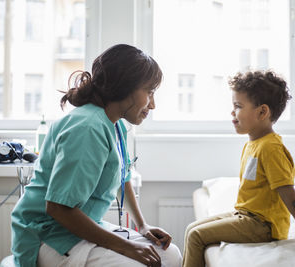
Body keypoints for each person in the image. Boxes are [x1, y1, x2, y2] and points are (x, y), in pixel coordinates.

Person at [11, 44, 182, 267]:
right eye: (149, 92)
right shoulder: (88, 128)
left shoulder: (115, 125)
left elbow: (124, 175)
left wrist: (142, 226)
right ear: (125, 87)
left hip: (79, 230)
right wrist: (127, 247)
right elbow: (58, 208)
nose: (153, 104)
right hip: (47, 236)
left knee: (170, 255)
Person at [182, 70, 295, 267]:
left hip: (264, 225)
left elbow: (288, 194)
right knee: (191, 229)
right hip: (247, 216)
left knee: (196, 236)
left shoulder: (271, 148)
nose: (232, 112)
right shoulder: (253, 144)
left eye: (238, 106)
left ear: (262, 112)